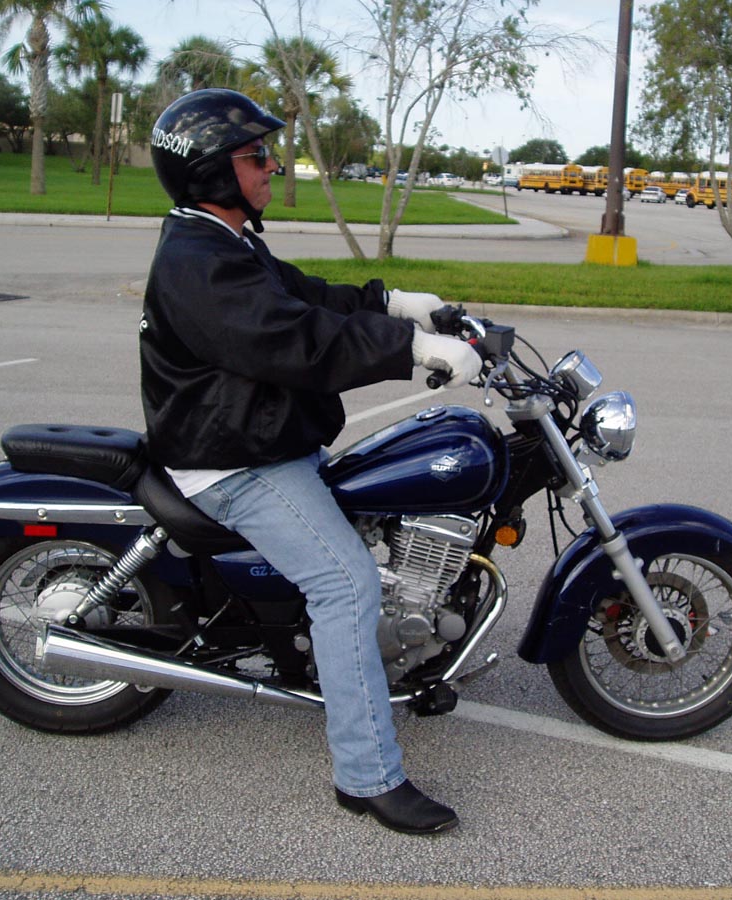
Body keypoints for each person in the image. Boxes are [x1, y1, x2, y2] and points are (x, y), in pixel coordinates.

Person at [140, 89, 482, 835]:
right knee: (345, 583)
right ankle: (367, 777)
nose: (271, 165)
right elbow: (296, 339)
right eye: (255, 155)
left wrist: (395, 303)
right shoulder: (198, 262)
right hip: (231, 459)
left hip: (258, 437)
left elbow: (307, 299)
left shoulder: (227, 243)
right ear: (211, 170)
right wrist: (413, 349)